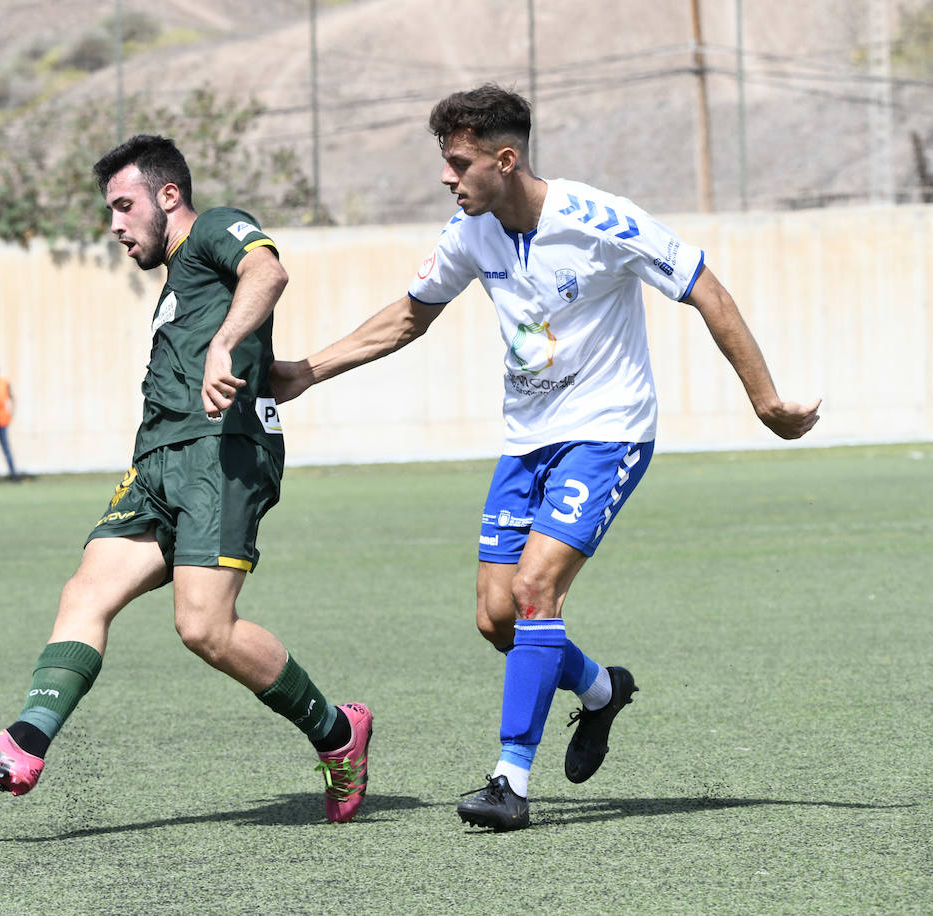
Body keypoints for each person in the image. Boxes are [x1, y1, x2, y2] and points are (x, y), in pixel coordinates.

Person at [271, 85, 820, 831]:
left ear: (506, 159)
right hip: (527, 441)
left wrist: (766, 401)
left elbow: (706, 289)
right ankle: (599, 691)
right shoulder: (470, 231)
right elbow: (408, 316)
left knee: (534, 590)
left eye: (459, 163)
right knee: (497, 619)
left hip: (608, 431)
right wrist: (307, 370)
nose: (447, 177)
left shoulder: (599, 220)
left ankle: (510, 780)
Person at [0, 134, 373, 823]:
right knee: (86, 591)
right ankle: (23, 744)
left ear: (168, 197)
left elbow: (268, 274)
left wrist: (225, 344)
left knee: (203, 627)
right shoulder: (177, 282)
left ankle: (339, 732)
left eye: (124, 206)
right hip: (156, 460)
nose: (114, 225)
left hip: (220, 452)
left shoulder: (218, 226)